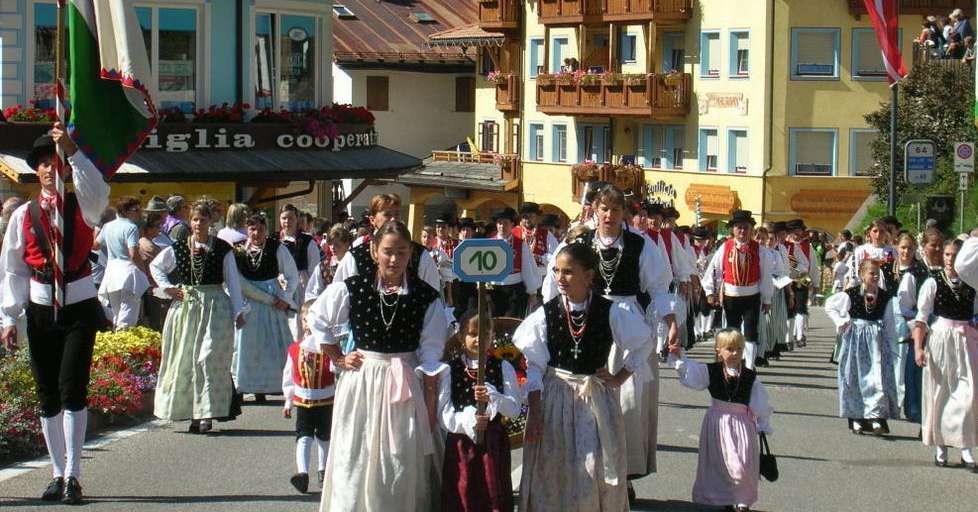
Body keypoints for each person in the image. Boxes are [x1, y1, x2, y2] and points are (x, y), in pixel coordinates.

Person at [542, 185, 675, 500]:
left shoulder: (641, 245)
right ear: (595, 210)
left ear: (623, 213)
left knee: (626, 404)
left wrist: (672, 326)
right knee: (586, 402)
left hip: (626, 325)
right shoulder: (579, 243)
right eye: (604, 208)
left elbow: (659, 288)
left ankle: (623, 475)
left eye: (616, 210)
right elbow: (554, 280)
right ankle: (587, 471)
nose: (610, 215)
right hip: (586, 320)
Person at [0, 125, 109, 504]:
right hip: (40, 307)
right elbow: (12, 267)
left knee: (71, 387)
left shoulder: (84, 205)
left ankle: (75, 475)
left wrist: (75, 152)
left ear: (65, 168)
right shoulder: (23, 215)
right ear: (37, 171)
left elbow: (100, 193)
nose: (49, 169)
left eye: (55, 162)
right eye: (44, 164)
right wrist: (9, 317)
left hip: (78, 306)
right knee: (47, 394)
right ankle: (57, 472)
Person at [310, 221, 448, 511]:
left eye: (401, 252)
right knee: (355, 453)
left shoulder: (425, 296)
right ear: (374, 251)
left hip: (406, 382)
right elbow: (317, 318)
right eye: (387, 252)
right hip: (362, 380)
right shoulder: (353, 288)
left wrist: (431, 402)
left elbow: (432, 353)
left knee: (399, 458)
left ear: (411, 253)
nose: (394, 259)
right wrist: (338, 357)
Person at [514, 243, 651, 511]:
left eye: (568, 272)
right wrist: (535, 412)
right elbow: (534, 366)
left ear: (589, 276)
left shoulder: (609, 311)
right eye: (556, 271)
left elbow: (643, 342)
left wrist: (620, 377)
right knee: (554, 471)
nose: (560, 278)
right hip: (556, 400)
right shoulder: (547, 313)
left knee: (592, 471)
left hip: (595, 401)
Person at [151, 200, 247, 434]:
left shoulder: (223, 249)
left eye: (202, 220)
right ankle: (194, 414)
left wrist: (238, 311)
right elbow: (156, 266)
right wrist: (169, 288)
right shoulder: (179, 247)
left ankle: (207, 413)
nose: (197, 224)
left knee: (209, 358)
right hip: (187, 308)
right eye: (194, 220)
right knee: (188, 360)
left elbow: (233, 282)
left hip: (215, 306)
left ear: (209, 222)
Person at [669, 328, 773, 512]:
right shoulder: (712, 371)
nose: (735, 353)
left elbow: (760, 402)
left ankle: (742, 501)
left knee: (741, 465)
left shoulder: (750, 376)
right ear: (719, 350)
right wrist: (679, 357)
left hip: (742, 425)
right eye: (730, 349)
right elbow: (691, 374)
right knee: (722, 463)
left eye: (739, 349)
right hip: (718, 424)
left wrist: (762, 423)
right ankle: (726, 496)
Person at [439, 308, 522, 512]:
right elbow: (444, 412)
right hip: (460, 443)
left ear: (492, 336)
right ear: (461, 336)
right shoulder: (450, 369)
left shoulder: (502, 367)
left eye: (485, 334)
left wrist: (494, 397)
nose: (479, 339)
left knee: (493, 491)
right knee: (463, 492)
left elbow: (514, 409)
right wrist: (467, 421)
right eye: (473, 334)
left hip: (493, 442)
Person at [915, 239, 978, 468]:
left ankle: (965, 446)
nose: (950, 259)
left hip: (965, 340)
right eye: (948, 255)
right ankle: (941, 446)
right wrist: (918, 348)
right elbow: (921, 318)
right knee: (940, 391)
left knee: (967, 394)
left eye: (955, 255)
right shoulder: (933, 282)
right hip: (941, 338)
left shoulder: (972, 284)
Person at [826, 259, 899, 435]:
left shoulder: (885, 297)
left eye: (876, 273)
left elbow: (889, 323)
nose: (874, 276)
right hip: (855, 342)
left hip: (876, 343)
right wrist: (841, 321)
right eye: (871, 273)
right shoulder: (850, 294)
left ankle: (876, 418)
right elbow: (830, 306)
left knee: (876, 379)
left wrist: (892, 346)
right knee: (854, 378)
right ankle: (856, 417)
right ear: (861, 275)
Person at [233, 212, 299, 402]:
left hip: (273, 303)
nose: (256, 233)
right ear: (247, 230)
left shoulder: (276, 248)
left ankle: (273, 385)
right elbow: (235, 280)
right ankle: (247, 385)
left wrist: (285, 297)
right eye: (252, 229)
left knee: (271, 344)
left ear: (266, 230)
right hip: (249, 304)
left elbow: (292, 275)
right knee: (247, 345)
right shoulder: (239, 251)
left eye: (260, 229)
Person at [703, 210, 773, 370]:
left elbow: (766, 275)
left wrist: (767, 298)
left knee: (750, 332)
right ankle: (731, 364)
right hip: (731, 297)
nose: (742, 231)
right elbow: (714, 270)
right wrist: (710, 292)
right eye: (739, 227)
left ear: (751, 230)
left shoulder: (760, 250)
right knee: (732, 332)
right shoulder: (725, 247)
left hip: (752, 296)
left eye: (746, 228)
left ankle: (748, 367)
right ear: (733, 229)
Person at [334, 193, 441, 293]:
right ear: (372, 220)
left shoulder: (420, 255)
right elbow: (340, 296)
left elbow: (433, 295)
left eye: (397, 214)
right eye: (387, 214)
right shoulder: (355, 257)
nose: (394, 219)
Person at [283, 300, 335, 494]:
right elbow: (289, 376)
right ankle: (302, 473)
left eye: (313, 319)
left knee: (324, 437)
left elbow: (337, 371)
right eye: (305, 319)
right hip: (303, 400)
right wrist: (288, 400)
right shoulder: (295, 349)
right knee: (303, 436)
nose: (309, 323)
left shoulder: (330, 348)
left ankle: (324, 470)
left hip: (327, 398)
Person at [95, 196, 150, 330]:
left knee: (116, 314)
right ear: (125, 211)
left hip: (111, 272)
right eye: (136, 210)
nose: (139, 213)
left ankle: (115, 346)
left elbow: (95, 245)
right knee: (128, 315)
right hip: (128, 272)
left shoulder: (107, 226)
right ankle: (123, 347)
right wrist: (144, 271)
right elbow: (133, 254)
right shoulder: (131, 227)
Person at [277, 203, 321, 338]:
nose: (287, 222)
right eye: (284, 218)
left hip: (301, 288)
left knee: (298, 326)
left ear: (297, 220)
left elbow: (315, 270)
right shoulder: (274, 240)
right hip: (279, 287)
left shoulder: (307, 242)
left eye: (290, 218)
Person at [489, 207, 542, 317]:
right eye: (499, 223)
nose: (502, 226)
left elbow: (527, 268)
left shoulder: (520, 244)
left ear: (512, 224)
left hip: (515, 290)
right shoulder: (489, 244)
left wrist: (532, 293)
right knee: (495, 322)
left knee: (513, 323)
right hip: (495, 290)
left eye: (505, 223)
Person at [786, 219, 821, 348]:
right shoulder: (785, 245)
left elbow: (813, 265)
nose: (796, 232)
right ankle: (788, 337)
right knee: (789, 309)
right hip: (787, 280)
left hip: (802, 279)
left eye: (799, 229)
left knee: (801, 307)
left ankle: (800, 335)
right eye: (794, 230)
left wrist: (816, 283)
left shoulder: (808, 246)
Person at [305, 224, 354, 302]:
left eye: (337, 244)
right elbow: (313, 291)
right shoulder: (323, 266)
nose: (332, 247)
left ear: (347, 244)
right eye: (331, 244)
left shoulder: (353, 264)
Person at [137, 213, 168, 331]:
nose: (159, 228)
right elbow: (159, 268)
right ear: (148, 228)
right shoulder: (148, 246)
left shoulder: (145, 243)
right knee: (155, 323)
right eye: (157, 226)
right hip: (152, 289)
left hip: (151, 288)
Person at [513, 202, 559, 280]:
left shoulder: (546, 234)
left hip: (540, 276)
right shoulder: (513, 233)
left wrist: (539, 258)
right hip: (518, 277)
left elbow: (556, 257)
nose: (527, 219)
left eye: (531, 216)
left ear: (536, 217)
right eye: (525, 217)